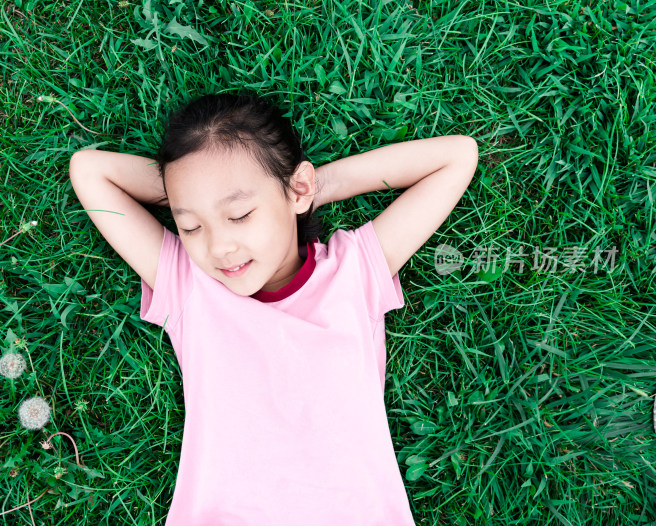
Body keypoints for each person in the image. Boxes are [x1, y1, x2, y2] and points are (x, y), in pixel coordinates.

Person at [69, 92, 478, 525]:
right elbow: (91, 171)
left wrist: (307, 188)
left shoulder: (354, 272)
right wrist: (197, 192)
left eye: (240, 214)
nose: (218, 247)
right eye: (190, 225)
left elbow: (456, 157)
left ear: (299, 187)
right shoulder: (192, 285)